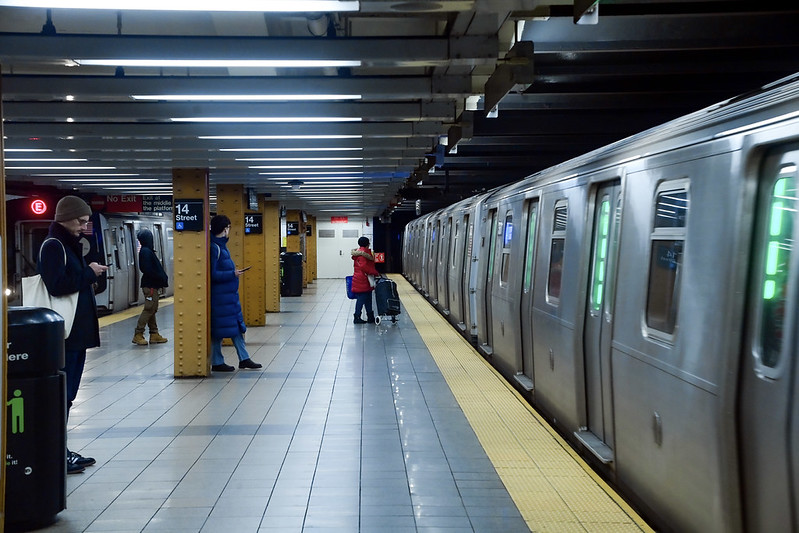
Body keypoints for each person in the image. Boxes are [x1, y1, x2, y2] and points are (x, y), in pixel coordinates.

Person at [38, 195, 108, 474]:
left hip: (75, 335)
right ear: (64, 218)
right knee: (61, 396)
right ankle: (55, 453)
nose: (84, 226)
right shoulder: (53, 246)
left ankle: (60, 450)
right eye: (80, 221)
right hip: (65, 335)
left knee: (66, 397)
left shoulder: (68, 245)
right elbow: (56, 285)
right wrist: (89, 273)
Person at [209, 214, 262, 372]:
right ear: (224, 229)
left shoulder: (221, 246)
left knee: (236, 328)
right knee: (220, 330)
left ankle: (243, 358)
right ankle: (219, 361)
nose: (229, 231)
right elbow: (212, 274)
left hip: (228, 298)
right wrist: (232, 274)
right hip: (220, 298)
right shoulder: (215, 247)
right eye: (229, 228)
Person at [132, 228, 169, 345]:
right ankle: (138, 334)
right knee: (148, 309)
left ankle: (154, 334)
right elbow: (147, 269)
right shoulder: (146, 251)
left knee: (152, 309)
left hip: (151, 285)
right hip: (150, 286)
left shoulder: (145, 251)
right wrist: (159, 277)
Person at [351, 236, 379, 324]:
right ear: (367, 244)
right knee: (361, 299)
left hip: (363, 279)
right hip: (363, 279)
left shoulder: (359, 253)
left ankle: (370, 317)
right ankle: (357, 317)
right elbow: (364, 267)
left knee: (368, 299)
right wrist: (375, 272)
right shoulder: (363, 254)